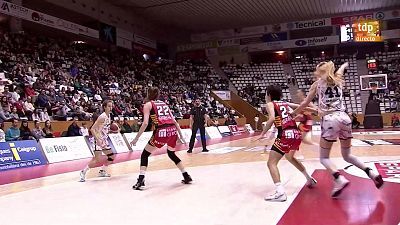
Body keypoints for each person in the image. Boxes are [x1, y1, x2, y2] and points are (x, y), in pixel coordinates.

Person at [292, 61, 384, 198]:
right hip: (345, 118)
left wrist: (293, 114)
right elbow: (340, 71)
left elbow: (305, 103)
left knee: (324, 158)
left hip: (330, 120)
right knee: (347, 155)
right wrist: (344, 65)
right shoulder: (338, 79)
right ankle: (372, 173)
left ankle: (339, 179)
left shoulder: (317, 84)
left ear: (319, 72)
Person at [253, 85, 317, 202]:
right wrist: (317, 111)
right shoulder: (284, 103)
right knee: (290, 157)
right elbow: (301, 107)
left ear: (269, 95)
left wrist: (263, 133)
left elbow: (272, 119)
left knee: (271, 163)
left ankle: (280, 192)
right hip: (295, 133)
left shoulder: (270, 104)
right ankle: (309, 179)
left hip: (285, 134)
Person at [130, 87, 191, 190]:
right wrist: (181, 136)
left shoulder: (148, 105)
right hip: (172, 131)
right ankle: (186, 175)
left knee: (145, 154)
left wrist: (136, 138)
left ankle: (141, 180)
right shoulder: (164, 104)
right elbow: (175, 121)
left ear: (148, 94)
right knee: (171, 153)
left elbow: (145, 123)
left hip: (162, 131)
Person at [79, 100, 115, 182]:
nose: (111, 108)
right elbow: (92, 129)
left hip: (104, 140)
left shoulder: (109, 116)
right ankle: (83, 172)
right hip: (98, 140)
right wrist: (98, 139)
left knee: (111, 157)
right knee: (97, 160)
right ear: (104, 107)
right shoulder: (102, 117)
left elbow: (104, 128)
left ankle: (102, 171)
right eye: (109, 106)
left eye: (111, 106)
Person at [294, 89, 318, 160]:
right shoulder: (302, 102)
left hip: (307, 122)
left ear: (302, 93)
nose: (297, 94)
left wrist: (308, 112)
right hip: (303, 122)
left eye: (298, 93)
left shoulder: (307, 101)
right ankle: (318, 148)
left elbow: (315, 109)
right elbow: (301, 115)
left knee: (297, 139)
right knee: (304, 140)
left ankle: (299, 156)